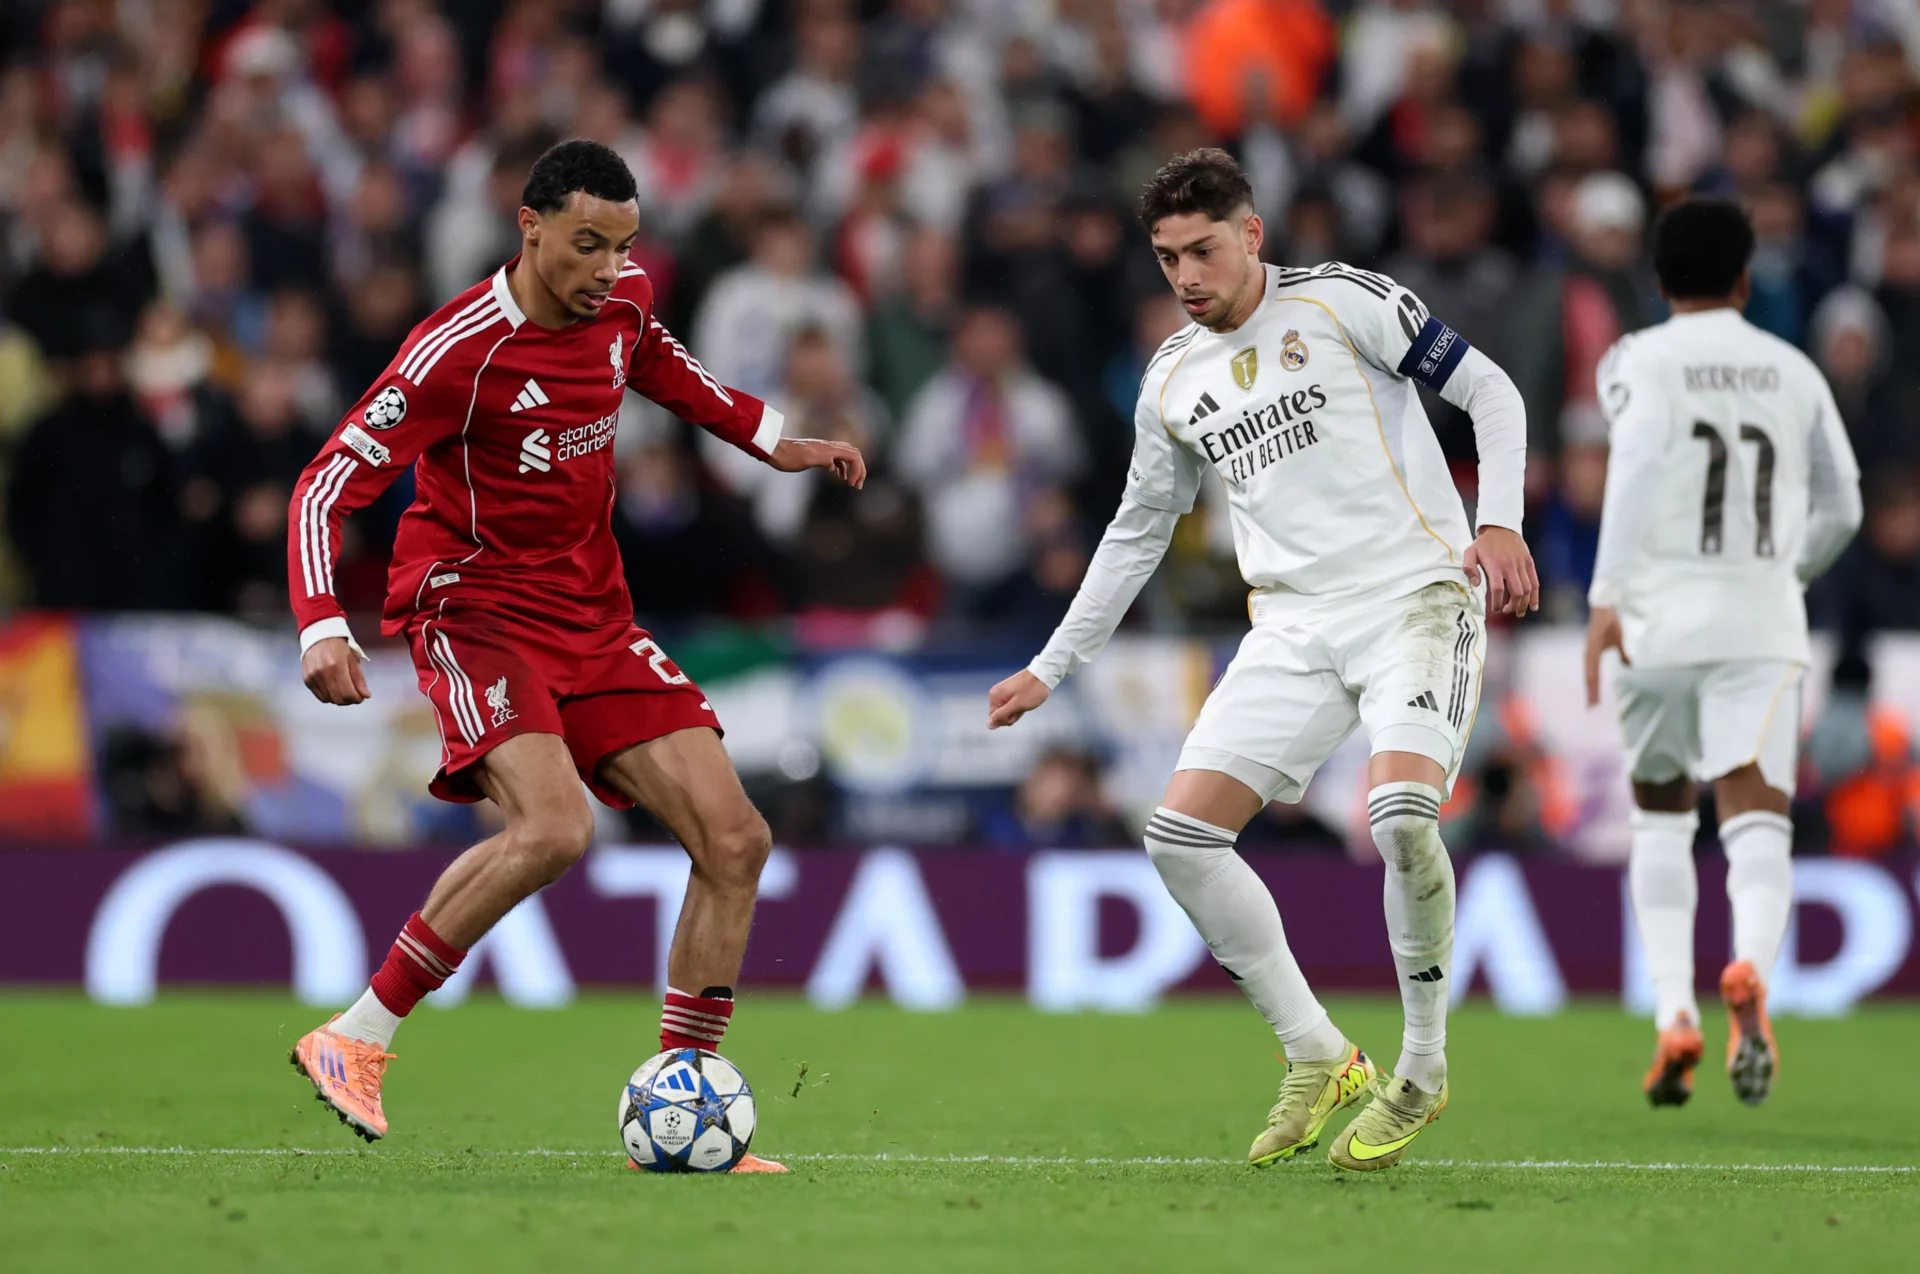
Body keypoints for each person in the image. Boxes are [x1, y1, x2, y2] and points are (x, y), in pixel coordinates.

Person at [283, 140, 866, 1172]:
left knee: (735, 838)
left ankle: (684, 1111)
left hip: (594, 615)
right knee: (555, 829)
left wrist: (781, 437)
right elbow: (327, 482)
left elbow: (672, 373)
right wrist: (322, 620)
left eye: (624, 246)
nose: (608, 268)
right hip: (476, 609)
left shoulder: (625, 304)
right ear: (531, 226)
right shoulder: (453, 352)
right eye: (587, 244)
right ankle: (356, 1033)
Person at [987, 148, 1537, 1173]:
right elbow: (1135, 532)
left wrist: (1498, 522)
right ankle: (1318, 1051)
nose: (1186, 275)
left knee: (1401, 819)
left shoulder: (1346, 302)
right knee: (1181, 835)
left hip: (1415, 594)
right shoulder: (1171, 379)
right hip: (1290, 627)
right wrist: (1051, 666)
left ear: (1252, 235)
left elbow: (1493, 393)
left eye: (1202, 249)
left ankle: (1421, 1064)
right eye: (1165, 258)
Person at [1583, 198, 1863, 1110]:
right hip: (1758, 620)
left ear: (1660, 282)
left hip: (1654, 621)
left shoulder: (1634, 360)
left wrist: (1605, 599)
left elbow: (1633, 461)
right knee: (1757, 822)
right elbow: (1845, 506)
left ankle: (1674, 1013)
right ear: (1745, 279)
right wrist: (1787, 569)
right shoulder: (1794, 370)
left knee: (1662, 820)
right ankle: (1749, 970)